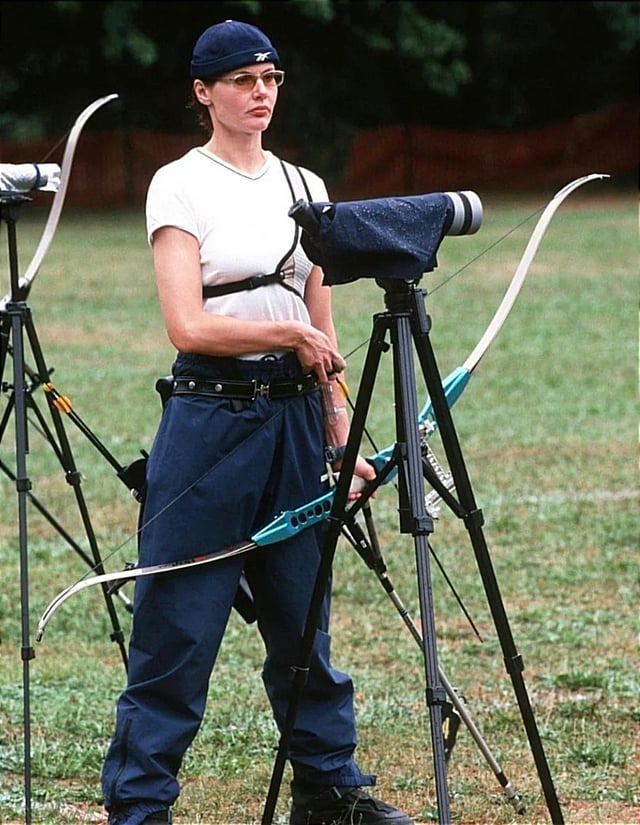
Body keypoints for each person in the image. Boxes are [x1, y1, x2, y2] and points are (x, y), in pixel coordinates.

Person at [101, 20, 415, 825]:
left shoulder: (304, 184)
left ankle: (327, 788)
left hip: (297, 421)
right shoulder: (179, 184)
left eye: (270, 78)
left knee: (303, 615)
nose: (260, 92)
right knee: (178, 625)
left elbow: (321, 319)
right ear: (204, 92)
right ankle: (139, 807)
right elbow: (187, 324)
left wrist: (339, 432)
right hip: (211, 421)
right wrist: (288, 334)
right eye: (242, 80)